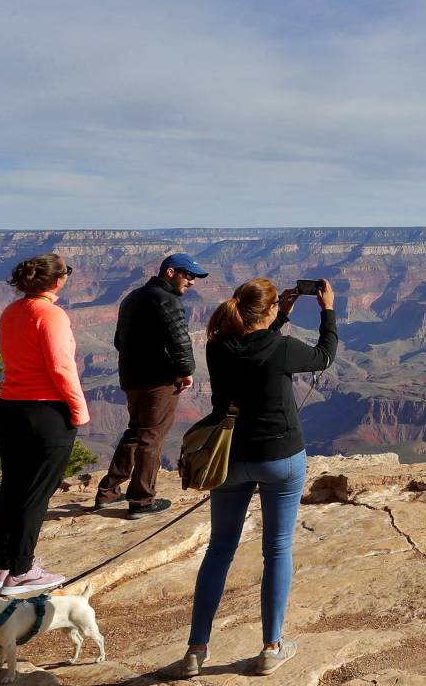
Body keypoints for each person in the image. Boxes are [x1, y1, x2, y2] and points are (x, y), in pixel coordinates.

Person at [181, 277, 337, 677]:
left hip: (229, 459)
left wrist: (280, 314)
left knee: (219, 550)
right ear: (267, 312)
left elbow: (252, 348)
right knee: (278, 549)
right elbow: (323, 357)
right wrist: (327, 310)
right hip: (280, 459)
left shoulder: (217, 347)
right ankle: (272, 647)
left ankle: (196, 651)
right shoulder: (282, 347)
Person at [0, 253, 89, 595]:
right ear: (57, 281)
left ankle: (4, 567)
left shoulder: (12, 312)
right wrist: (79, 410)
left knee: (12, 489)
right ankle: (22, 571)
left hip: (9, 410)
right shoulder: (51, 315)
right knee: (36, 494)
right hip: (45, 414)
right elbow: (62, 367)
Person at [95, 253, 208, 519]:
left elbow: (118, 342)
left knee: (136, 432)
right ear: (170, 272)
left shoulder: (132, 298)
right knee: (151, 438)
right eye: (188, 275)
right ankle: (142, 502)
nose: (192, 282)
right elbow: (180, 341)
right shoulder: (167, 301)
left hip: (131, 379)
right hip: (158, 382)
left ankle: (108, 492)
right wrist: (185, 372)